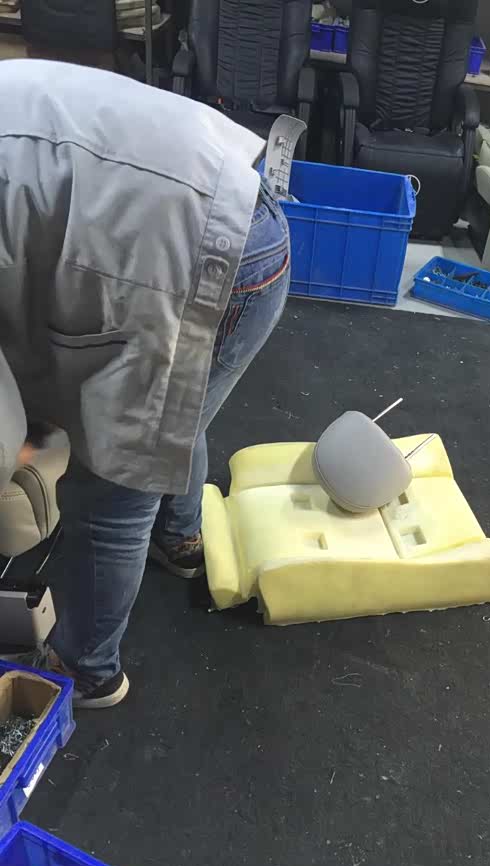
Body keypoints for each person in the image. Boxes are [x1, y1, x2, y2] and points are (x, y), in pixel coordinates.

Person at [0, 60, 290, 708]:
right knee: (173, 407)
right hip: (232, 204)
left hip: (206, 244)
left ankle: (85, 670)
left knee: (112, 480)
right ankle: (180, 538)